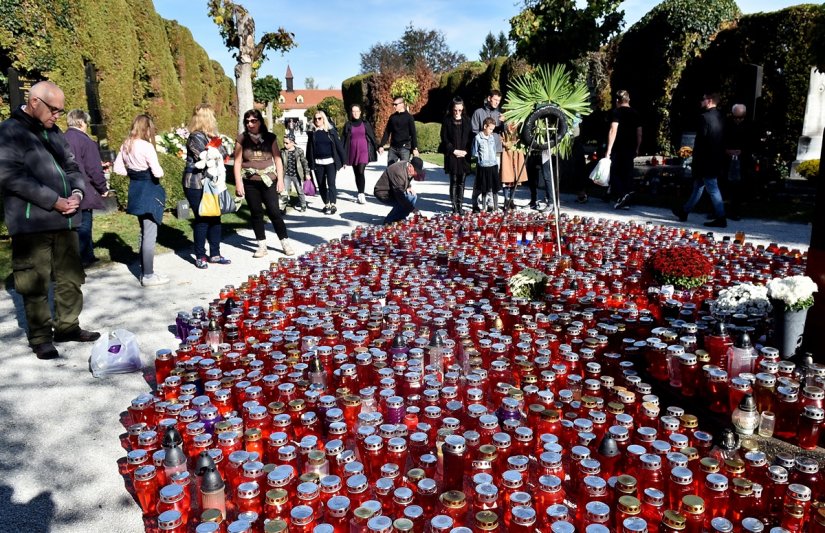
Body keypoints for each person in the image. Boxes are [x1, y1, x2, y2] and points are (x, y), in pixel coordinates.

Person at [0, 81, 101, 359]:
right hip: (32, 223)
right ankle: (41, 336)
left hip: (66, 220)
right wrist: (53, 200)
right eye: (53, 110)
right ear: (34, 102)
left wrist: (78, 192)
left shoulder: (54, 132)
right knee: (34, 281)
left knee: (71, 278)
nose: (57, 116)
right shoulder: (10, 132)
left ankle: (68, 326)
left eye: (60, 110)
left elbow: (71, 166)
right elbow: (11, 177)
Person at [113, 114, 170, 287]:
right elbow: (158, 172)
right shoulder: (146, 146)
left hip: (135, 189)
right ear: (147, 128)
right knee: (150, 234)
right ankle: (148, 275)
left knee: (144, 231)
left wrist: (133, 173)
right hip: (149, 189)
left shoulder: (126, 144)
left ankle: (146, 271)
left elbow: (118, 169)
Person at [233, 109, 295, 257]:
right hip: (250, 182)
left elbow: (278, 159)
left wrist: (280, 180)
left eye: (253, 121)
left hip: (269, 181)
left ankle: (285, 242)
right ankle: (262, 246)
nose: (250, 124)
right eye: (247, 121)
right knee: (256, 213)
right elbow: (237, 162)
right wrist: (238, 183)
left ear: (260, 121)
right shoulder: (241, 139)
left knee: (274, 212)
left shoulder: (270, 137)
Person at [183, 104, 230, 269]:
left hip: (213, 183)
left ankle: (215, 254)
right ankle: (200, 255)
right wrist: (214, 145)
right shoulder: (194, 137)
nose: (215, 119)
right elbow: (204, 158)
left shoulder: (212, 136)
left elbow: (224, 155)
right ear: (206, 118)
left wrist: (215, 141)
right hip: (196, 183)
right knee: (203, 218)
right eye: (212, 116)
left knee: (216, 217)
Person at [673, 93, 727, 228]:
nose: (701, 101)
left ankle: (721, 217)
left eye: (703, 99)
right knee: (698, 186)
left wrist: (695, 158)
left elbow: (701, 142)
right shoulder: (721, 117)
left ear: (709, 101)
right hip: (716, 157)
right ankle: (684, 211)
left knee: (712, 188)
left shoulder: (704, 118)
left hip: (705, 159)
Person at [64, 108, 110, 268]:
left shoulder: (61, 138)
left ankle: (73, 256)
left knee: (70, 226)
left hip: (64, 187)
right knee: (84, 224)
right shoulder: (86, 141)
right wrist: (103, 188)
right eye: (87, 123)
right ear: (82, 122)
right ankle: (85, 256)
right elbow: (93, 169)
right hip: (83, 188)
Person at [605, 90, 642, 209]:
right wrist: (637, 147)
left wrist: (608, 150)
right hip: (630, 146)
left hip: (618, 146)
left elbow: (613, 130)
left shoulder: (616, 112)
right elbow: (639, 132)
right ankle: (627, 199)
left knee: (614, 172)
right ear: (628, 100)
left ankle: (622, 195)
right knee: (627, 172)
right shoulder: (635, 113)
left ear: (617, 101)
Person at [306, 110, 346, 215]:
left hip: (331, 162)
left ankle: (333, 204)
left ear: (324, 119)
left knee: (331, 183)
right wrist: (309, 164)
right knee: (321, 184)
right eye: (315, 119)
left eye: (319, 118)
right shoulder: (312, 134)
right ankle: (326, 203)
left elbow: (338, 146)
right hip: (318, 163)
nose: (317, 120)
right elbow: (309, 150)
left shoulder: (331, 132)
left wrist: (344, 160)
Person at [440, 97, 473, 213]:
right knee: (453, 181)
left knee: (462, 182)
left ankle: (460, 205)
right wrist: (453, 150)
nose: (457, 112)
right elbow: (444, 138)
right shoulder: (447, 120)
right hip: (452, 155)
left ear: (463, 108)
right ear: (452, 109)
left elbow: (470, 138)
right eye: (455, 110)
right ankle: (454, 206)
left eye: (459, 110)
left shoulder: (467, 120)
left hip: (464, 155)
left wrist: (466, 151)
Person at [373, 156, 426, 225]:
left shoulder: (408, 167)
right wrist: (412, 209)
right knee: (402, 201)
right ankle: (389, 221)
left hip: (394, 191)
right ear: (410, 166)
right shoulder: (398, 171)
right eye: (416, 171)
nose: (416, 174)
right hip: (383, 192)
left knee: (413, 196)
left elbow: (406, 179)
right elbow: (399, 195)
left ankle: (400, 218)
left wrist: (408, 187)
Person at [342, 104, 378, 205]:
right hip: (353, 152)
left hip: (364, 151)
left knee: (361, 171)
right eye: (353, 111)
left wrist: (378, 146)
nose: (355, 113)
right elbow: (343, 141)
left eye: (357, 111)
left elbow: (372, 136)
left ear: (360, 112)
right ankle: (359, 193)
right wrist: (343, 158)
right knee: (357, 173)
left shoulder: (365, 123)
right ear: (351, 113)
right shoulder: (348, 125)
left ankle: (362, 195)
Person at [722, 103, 751, 221]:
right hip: (727, 158)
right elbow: (721, 138)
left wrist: (742, 151)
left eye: (741, 117)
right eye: (736, 117)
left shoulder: (749, 125)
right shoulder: (726, 124)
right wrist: (726, 150)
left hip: (742, 159)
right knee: (723, 184)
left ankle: (735, 211)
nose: (738, 120)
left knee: (738, 187)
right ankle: (720, 210)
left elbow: (752, 142)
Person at [472, 117, 502, 213]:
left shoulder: (492, 137)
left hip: (492, 164)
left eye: (493, 129)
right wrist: (481, 160)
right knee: (482, 187)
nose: (492, 131)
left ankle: (493, 206)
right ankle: (479, 204)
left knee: (493, 187)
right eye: (490, 129)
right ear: (485, 126)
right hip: (483, 166)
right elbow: (475, 152)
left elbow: (493, 149)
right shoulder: (478, 138)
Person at [378, 97, 418, 166]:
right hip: (393, 148)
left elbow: (413, 134)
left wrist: (415, 148)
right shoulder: (392, 117)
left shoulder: (409, 117)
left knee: (404, 170)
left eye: (395, 104)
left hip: (405, 148)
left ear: (402, 104)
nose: (394, 106)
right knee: (390, 169)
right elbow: (387, 132)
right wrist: (381, 145)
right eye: (393, 104)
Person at [500, 121, 527, 210]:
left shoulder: (519, 124)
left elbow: (522, 136)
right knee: (506, 178)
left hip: (516, 152)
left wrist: (516, 142)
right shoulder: (503, 125)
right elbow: (501, 138)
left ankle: (512, 199)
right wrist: (507, 144)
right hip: (506, 153)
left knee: (515, 178)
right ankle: (506, 199)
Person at [282, 134, 309, 212]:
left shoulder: (299, 151)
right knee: (284, 191)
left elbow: (304, 162)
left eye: (287, 143)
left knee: (299, 190)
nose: (285, 144)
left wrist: (307, 173)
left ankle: (303, 204)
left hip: (296, 175)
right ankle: (283, 207)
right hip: (286, 175)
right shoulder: (282, 151)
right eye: (284, 142)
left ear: (293, 142)